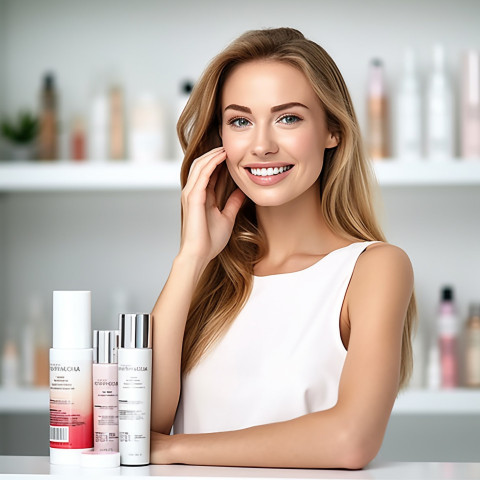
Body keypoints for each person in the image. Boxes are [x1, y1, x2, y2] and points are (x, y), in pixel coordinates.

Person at [150, 27, 415, 469]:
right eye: (240, 121)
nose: (261, 145)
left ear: (332, 130)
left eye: (288, 118)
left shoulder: (373, 269)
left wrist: (171, 449)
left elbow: (351, 441)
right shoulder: (207, 274)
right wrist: (191, 258)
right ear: (221, 140)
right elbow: (139, 418)